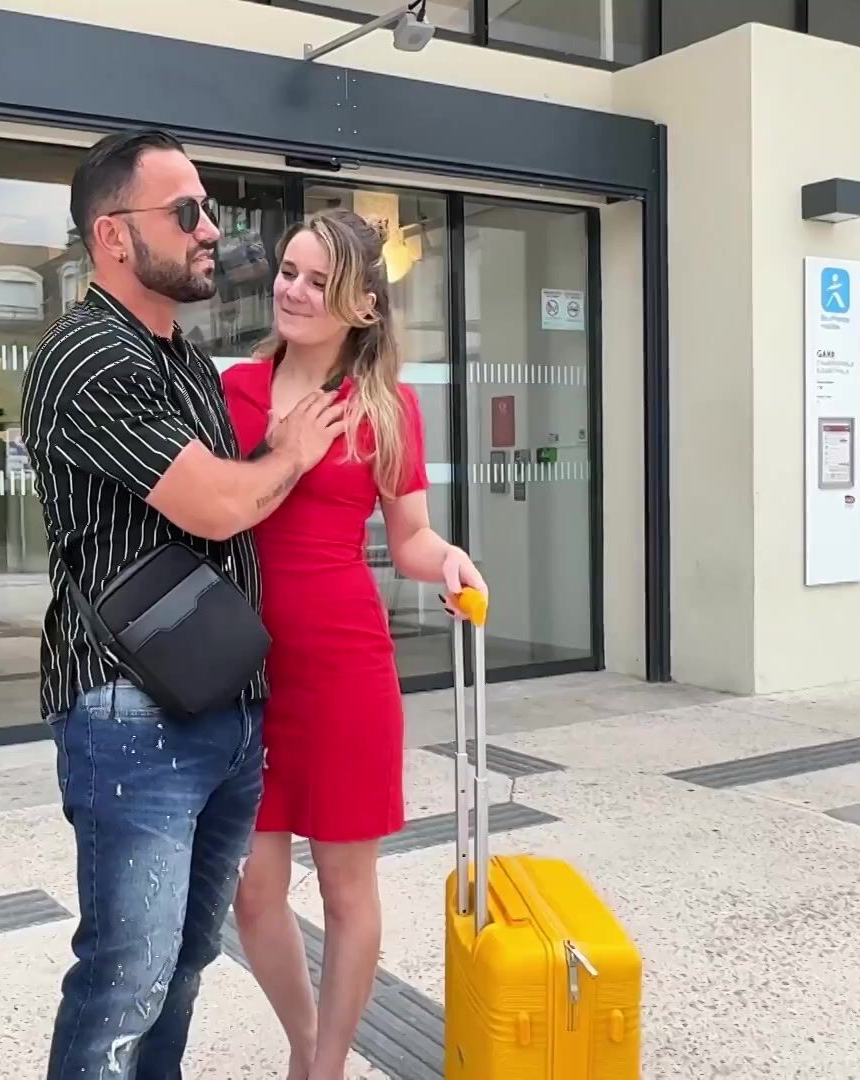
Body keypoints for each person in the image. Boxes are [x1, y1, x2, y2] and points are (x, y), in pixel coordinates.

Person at [20, 129, 348, 1080]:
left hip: (221, 708)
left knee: (182, 966)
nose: (210, 230)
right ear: (113, 235)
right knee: (125, 979)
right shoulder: (85, 355)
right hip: (132, 715)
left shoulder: (186, 362)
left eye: (208, 210)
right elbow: (217, 502)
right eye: (187, 212)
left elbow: (235, 508)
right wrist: (289, 452)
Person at [222, 208, 486, 1079]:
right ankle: (306, 1042)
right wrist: (283, 457)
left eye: (317, 280)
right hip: (244, 672)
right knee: (252, 891)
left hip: (343, 669)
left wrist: (448, 560)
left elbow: (409, 538)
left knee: (345, 887)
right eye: (287, 272)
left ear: (363, 305)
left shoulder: (387, 407)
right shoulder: (235, 391)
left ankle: (325, 1067)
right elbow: (213, 513)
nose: (293, 291)